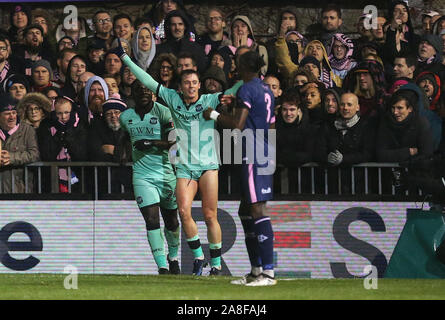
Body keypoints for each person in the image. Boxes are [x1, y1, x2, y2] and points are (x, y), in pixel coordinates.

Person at [114, 38, 243, 276]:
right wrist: (124, 58)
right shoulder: (172, 99)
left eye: (195, 83)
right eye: (187, 83)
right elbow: (147, 81)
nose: (192, 86)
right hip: (184, 168)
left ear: (199, 86)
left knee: (209, 215)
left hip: (208, 167)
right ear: (181, 86)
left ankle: (215, 266)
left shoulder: (208, 100)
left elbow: (233, 92)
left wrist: (249, 77)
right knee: (183, 213)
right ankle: (198, 258)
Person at [202, 50, 277, 286]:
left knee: (257, 210)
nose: (234, 67)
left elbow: (237, 125)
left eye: (237, 64)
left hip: (253, 153)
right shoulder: (267, 90)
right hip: (264, 150)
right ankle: (256, 271)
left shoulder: (246, 88)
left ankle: (268, 272)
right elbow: (270, 124)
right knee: (245, 211)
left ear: (245, 67)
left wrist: (213, 114)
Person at [119, 80, 181, 275]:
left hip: (165, 174)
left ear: (153, 93)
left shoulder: (163, 112)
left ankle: (173, 257)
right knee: (152, 219)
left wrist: (152, 142)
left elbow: (174, 143)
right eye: (139, 90)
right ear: (133, 93)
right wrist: (121, 153)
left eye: (147, 89)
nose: (144, 93)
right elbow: (123, 138)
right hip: (142, 175)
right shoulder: (126, 117)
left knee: (171, 221)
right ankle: (162, 265)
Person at [37, 96, 89, 193]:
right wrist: (60, 135)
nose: (63, 117)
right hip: (52, 179)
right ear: (54, 113)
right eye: (59, 113)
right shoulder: (46, 126)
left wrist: (68, 134)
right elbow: (47, 155)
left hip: (78, 178)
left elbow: (81, 155)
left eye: (66, 113)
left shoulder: (80, 125)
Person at [87, 97, 132, 194]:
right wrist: (121, 154)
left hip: (128, 183)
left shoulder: (131, 129)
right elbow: (95, 154)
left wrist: (114, 151)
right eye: (108, 113)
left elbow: (132, 154)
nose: (113, 116)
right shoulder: (97, 128)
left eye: (117, 112)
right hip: (103, 183)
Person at [0, 94, 39, 193]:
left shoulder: (27, 130)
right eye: (7, 113)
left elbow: (35, 154)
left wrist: (12, 157)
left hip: (20, 191)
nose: (12, 117)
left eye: (14, 112)